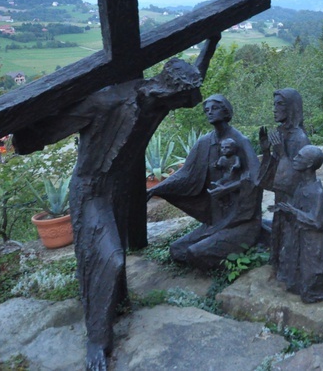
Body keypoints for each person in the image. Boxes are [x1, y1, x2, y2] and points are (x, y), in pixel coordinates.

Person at [13, 57, 212, 370]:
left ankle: (116, 303)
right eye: (187, 98)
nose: (193, 104)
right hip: (91, 191)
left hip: (119, 188)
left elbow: (196, 74)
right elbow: (37, 136)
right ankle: (97, 340)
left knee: (104, 260)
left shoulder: (161, 101)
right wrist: (4, 125)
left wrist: (210, 41)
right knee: (109, 257)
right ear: (169, 90)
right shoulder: (107, 101)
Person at [150, 95, 263, 268]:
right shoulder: (204, 143)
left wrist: (227, 189)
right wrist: (155, 189)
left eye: (214, 108)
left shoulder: (240, 141)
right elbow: (185, 175)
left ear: (226, 111)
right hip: (216, 220)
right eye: (206, 110)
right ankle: (217, 240)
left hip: (241, 219)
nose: (209, 112)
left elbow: (256, 178)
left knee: (195, 253)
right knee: (177, 250)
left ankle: (240, 246)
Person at [270, 145, 323, 302]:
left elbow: (317, 222)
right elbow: (295, 209)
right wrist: (284, 209)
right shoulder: (301, 186)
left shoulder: (317, 192)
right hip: (300, 239)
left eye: (300, 157)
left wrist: (293, 211)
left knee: (309, 293)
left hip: (313, 242)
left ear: (309, 164)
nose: (295, 158)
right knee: (293, 283)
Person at [259, 88, 312, 272]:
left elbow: (298, 178)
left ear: (291, 108)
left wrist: (281, 154)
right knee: (279, 226)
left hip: (295, 200)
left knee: (291, 232)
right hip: (281, 197)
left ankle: (292, 268)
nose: (274, 109)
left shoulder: (300, 138)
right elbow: (273, 175)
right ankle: (278, 262)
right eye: (274, 104)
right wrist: (267, 151)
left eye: (280, 104)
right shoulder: (280, 134)